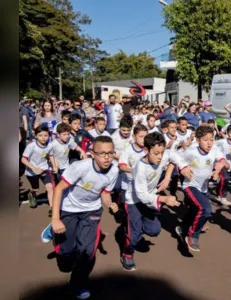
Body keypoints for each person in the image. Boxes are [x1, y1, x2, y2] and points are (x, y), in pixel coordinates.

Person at [50, 136, 120, 299]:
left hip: (92, 211)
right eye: (102, 153)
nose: (107, 157)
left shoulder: (114, 170)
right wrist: (55, 218)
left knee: (87, 252)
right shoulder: (79, 167)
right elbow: (59, 189)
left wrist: (109, 204)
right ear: (92, 153)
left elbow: (105, 191)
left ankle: (76, 284)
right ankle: (55, 233)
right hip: (69, 209)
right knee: (67, 252)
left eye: (110, 153)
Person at [120, 132, 184, 271]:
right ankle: (127, 253)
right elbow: (142, 195)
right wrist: (164, 199)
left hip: (150, 198)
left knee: (154, 230)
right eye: (156, 153)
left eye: (161, 152)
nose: (160, 157)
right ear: (145, 150)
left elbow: (173, 156)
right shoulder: (140, 167)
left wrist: (170, 175)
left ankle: (134, 228)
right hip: (134, 201)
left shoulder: (162, 155)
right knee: (134, 237)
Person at [175, 126, 228, 252]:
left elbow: (226, 162)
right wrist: (182, 168)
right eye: (205, 140)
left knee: (195, 210)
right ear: (198, 140)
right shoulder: (191, 151)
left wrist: (219, 166)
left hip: (203, 188)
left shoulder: (214, 150)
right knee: (206, 209)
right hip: (190, 186)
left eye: (211, 139)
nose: (209, 143)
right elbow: (174, 157)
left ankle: (182, 227)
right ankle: (193, 235)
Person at [21, 125, 57, 213]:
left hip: (45, 169)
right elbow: (23, 159)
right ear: (36, 136)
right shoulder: (31, 146)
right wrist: (34, 168)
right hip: (31, 172)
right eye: (40, 135)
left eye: (45, 135)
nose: (43, 138)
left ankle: (52, 208)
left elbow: (51, 155)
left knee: (50, 188)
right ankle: (32, 194)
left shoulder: (49, 146)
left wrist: (54, 165)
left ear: (49, 136)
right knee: (35, 189)